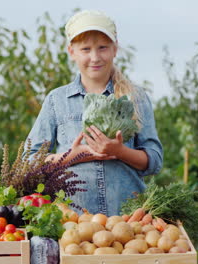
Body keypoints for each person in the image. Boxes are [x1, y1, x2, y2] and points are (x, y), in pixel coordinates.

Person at [25, 10, 163, 216]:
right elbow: (29, 162)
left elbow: (154, 161)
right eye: (85, 49)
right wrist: (71, 157)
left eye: (102, 48)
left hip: (129, 221)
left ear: (115, 49)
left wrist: (120, 152)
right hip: (73, 225)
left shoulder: (136, 97)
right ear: (71, 51)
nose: (95, 57)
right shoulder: (57, 100)